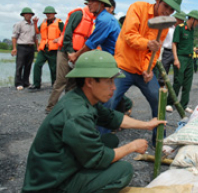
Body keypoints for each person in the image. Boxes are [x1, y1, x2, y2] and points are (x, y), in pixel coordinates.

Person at [22, 50, 165, 193]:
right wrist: (132, 146)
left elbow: (111, 118)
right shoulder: (78, 114)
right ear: (89, 81)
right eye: (109, 81)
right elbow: (99, 158)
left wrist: (147, 125)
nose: (114, 87)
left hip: (58, 169)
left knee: (110, 140)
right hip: (51, 185)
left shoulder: (82, 97)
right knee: (123, 171)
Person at [104, 0, 182, 145]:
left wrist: (148, 70)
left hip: (142, 71)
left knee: (158, 100)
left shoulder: (165, 25)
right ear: (157, 0)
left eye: (171, 9)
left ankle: (160, 140)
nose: (168, 11)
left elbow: (154, 51)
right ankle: (101, 140)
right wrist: (148, 44)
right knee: (108, 100)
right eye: (165, 6)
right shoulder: (138, 8)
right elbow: (129, 35)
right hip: (123, 66)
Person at [166, 10, 198, 113]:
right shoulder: (180, 28)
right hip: (180, 58)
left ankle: (183, 104)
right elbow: (174, 44)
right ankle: (169, 103)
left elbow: (188, 45)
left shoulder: (192, 30)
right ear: (192, 19)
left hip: (190, 59)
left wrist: (195, 51)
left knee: (188, 83)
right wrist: (176, 59)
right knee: (178, 81)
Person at [29, 6, 64, 90]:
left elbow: (65, 33)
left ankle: (54, 85)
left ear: (54, 14)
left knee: (53, 68)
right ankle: (36, 84)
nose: (48, 15)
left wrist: (59, 39)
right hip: (43, 49)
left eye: (49, 13)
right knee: (37, 65)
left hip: (53, 50)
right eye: (46, 13)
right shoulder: (44, 22)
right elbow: (37, 32)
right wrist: (35, 23)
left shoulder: (59, 23)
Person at [12, 7, 38, 90]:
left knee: (28, 65)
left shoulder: (33, 25)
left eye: (30, 14)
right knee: (20, 65)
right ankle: (18, 83)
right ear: (23, 15)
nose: (28, 16)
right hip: (22, 46)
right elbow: (14, 37)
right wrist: (14, 48)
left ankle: (26, 82)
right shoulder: (19, 24)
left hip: (31, 47)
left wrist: (37, 47)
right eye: (26, 14)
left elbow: (36, 37)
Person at [160, 11, 186, 76]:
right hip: (166, 52)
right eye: (181, 20)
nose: (183, 22)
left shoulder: (182, 29)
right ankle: (161, 84)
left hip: (177, 52)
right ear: (176, 19)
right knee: (163, 73)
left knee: (178, 73)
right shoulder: (167, 27)